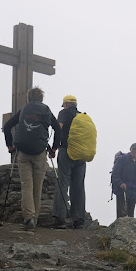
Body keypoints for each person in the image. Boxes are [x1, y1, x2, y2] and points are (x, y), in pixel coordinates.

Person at [3, 87, 61, 230]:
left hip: (23, 152)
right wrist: (53, 149)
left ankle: (29, 218)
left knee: (26, 185)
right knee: (37, 187)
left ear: (28, 98)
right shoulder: (46, 111)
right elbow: (58, 129)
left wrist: (10, 146)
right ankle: (34, 219)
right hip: (39, 152)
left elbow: (7, 126)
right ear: (41, 98)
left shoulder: (24, 110)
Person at [51, 95, 86, 229]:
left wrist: (54, 147)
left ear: (65, 104)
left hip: (66, 151)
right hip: (81, 155)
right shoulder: (82, 116)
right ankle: (78, 219)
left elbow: (58, 128)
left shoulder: (64, 113)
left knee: (63, 183)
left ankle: (60, 218)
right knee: (78, 185)